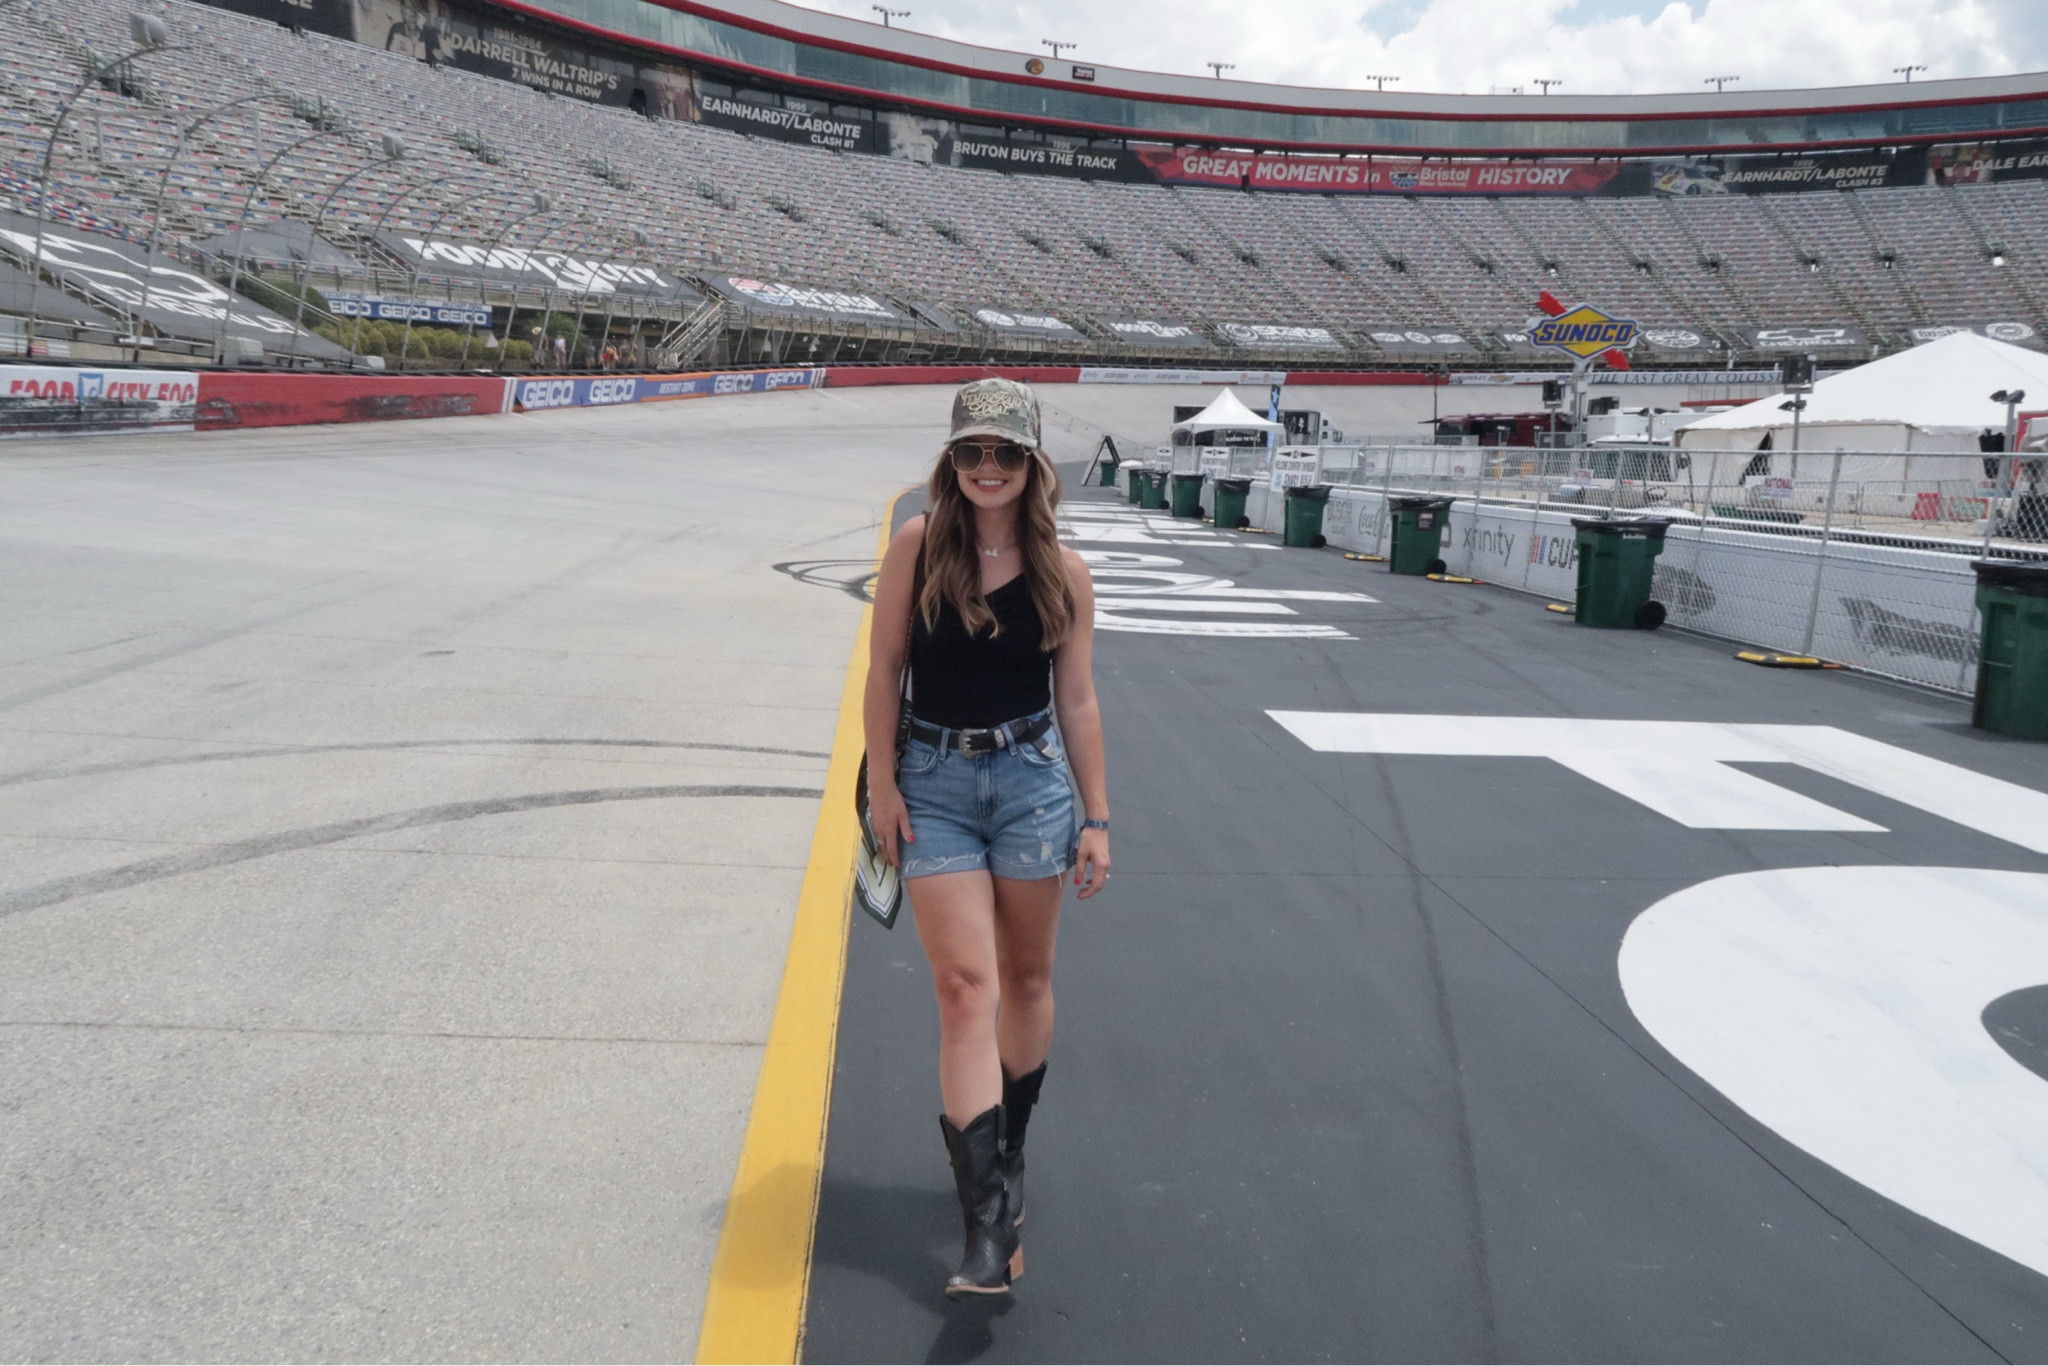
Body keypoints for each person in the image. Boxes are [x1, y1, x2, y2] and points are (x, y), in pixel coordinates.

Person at [865, 378, 1111, 1298]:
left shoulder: (1064, 572)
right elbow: (887, 667)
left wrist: (1097, 819)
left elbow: (1077, 699)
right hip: (931, 779)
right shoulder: (918, 546)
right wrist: (884, 784)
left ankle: (1006, 1159)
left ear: (1033, 463)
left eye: (1005, 453)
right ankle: (984, 1229)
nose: (987, 468)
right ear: (951, 459)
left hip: (1032, 786)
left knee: (1029, 979)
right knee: (967, 988)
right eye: (972, 452)